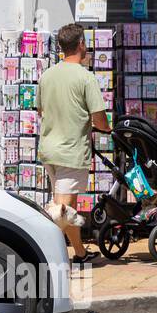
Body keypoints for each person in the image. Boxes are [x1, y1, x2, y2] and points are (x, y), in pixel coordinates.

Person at [37, 23, 112, 265]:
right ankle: (43, 257)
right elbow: (99, 117)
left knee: (66, 209)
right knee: (61, 211)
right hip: (71, 151)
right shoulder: (85, 77)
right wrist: (106, 128)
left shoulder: (47, 76)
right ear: (81, 44)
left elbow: (40, 110)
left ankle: (80, 253)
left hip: (49, 149)